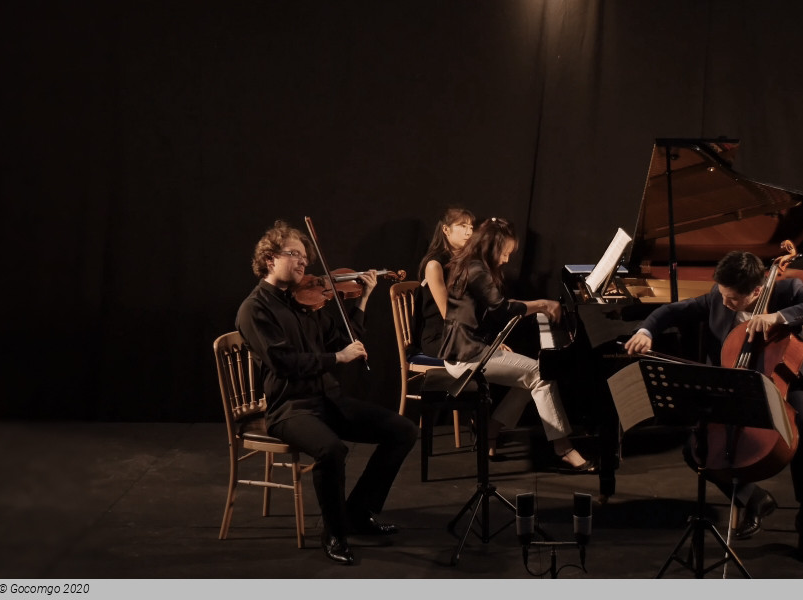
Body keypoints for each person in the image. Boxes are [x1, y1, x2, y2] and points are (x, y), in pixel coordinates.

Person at [623, 250, 803, 563]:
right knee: (698, 448)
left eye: (733, 300)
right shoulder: (718, 296)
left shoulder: (786, 292)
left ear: (755, 290)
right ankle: (753, 498)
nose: (724, 303)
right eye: (722, 295)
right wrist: (646, 331)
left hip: (787, 380)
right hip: (739, 381)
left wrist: (778, 317)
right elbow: (671, 311)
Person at [236, 220, 418, 565]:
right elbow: (284, 362)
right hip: (290, 408)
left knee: (404, 430)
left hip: (329, 399)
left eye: (306, 257)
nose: (304, 263)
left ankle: (358, 512)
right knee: (332, 450)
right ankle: (335, 533)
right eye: (295, 255)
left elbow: (342, 341)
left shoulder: (306, 302)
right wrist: (337, 358)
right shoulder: (255, 309)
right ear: (270, 258)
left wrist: (363, 300)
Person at [437, 217, 594, 472]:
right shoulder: (476, 269)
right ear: (491, 246)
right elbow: (502, 309)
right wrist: (543, 304)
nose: (507, 260)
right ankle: (563, 448)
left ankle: (491, 431)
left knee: (530, 376)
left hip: (469, 349)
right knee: (541, 375)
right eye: (505, 252)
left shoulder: (472, 263)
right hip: (465, 355)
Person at [407, 207, 476, 366]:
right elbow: (449, 314)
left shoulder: (463, 262)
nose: (469, 233)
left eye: (471, 227)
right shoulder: (434, 264)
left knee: (500, 356)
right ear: (446, 229)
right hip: (438, 338)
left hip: (458, 335)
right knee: (487, 358)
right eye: (462, 226)